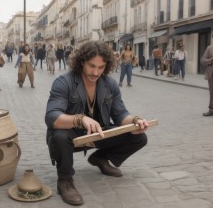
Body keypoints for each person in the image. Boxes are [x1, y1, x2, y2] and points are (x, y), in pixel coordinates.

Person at [45, 41, 149, 205]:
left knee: (139, 137)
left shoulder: (110, 84)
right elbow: (52, 117)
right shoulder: (63, 82)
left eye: (101, 67)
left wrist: (136, 121)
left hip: (100, 132)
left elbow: (120, 114)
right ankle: (65, 180)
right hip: (71, 134)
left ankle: (100, 158)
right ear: (81, 62)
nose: (95, 72)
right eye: (91, 66)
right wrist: (80, 119)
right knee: (58, 135)